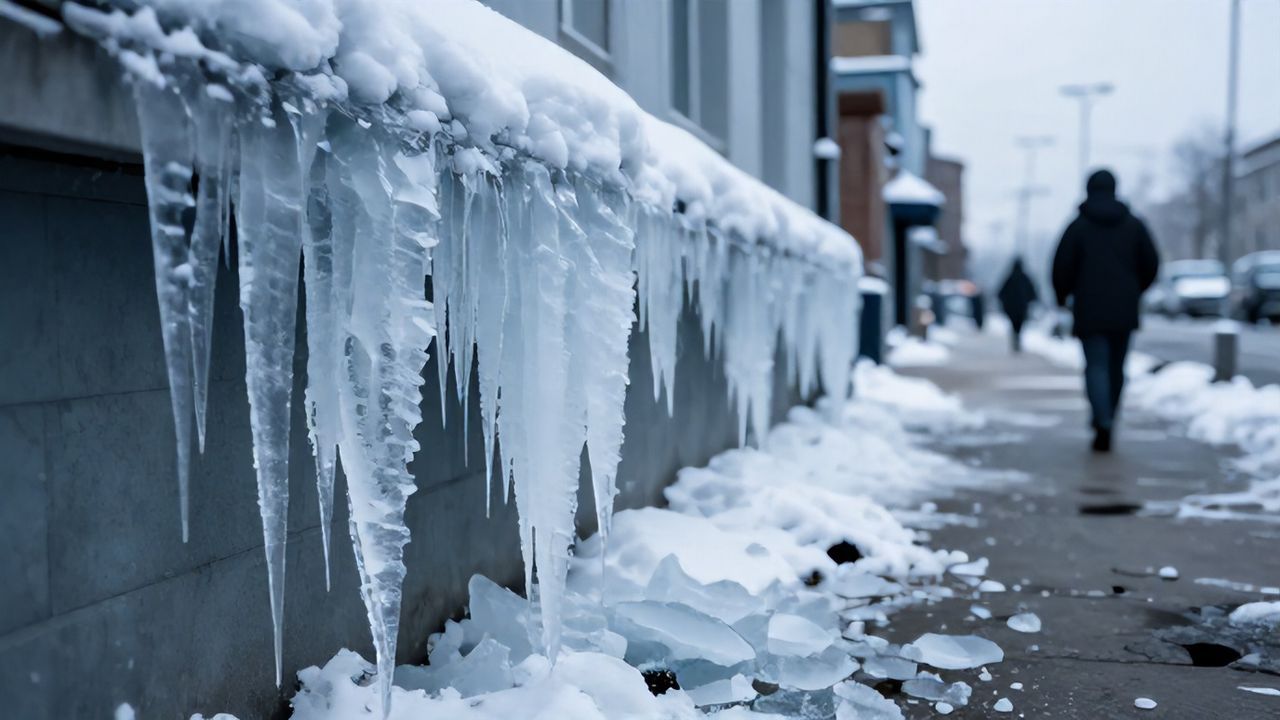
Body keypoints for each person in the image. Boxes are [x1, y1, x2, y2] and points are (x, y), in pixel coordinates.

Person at [1051, 169, 1160, 452]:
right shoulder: (1134, 225)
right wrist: (1135, 290)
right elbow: (1152, 263)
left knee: (1096, 366)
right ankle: (1109, 415)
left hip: (1089, 308)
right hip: (1124, 309)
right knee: (1116, 368)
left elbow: (1061, 266)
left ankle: (1102, 419)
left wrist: (1063, 297)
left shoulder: (1078, 226)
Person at [997, 258, 1038, 352]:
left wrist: (1005, 303)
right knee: (1019, 325)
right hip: (1022, 308)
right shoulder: (1025, 278)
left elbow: (1000, 293)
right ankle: (1017, 338)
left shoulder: (1009, 278)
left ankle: (1015, 338)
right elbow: (1032, 292)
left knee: (1014, 325)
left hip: (1011, 309)